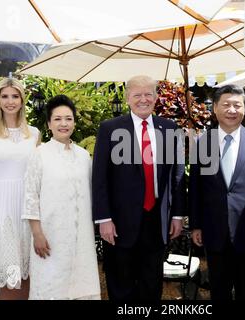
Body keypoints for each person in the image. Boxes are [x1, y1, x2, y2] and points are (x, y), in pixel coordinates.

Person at [92, 75, 186, 301]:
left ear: (155, 97)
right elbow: (99, 177)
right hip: (118, 223)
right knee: (120, 285)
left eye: (148, 94)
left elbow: (178, 176)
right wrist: (103, 218)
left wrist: (177, 214)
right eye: (137, 95)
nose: (143, 99)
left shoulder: (170, 128)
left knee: (151, 284)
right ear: (127, 98)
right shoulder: (110, 128)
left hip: (156, 220)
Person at [189, 84, 245, 301]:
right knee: (218, 291)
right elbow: (195, 188)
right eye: (226, 105)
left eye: (237, 105)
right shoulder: (202, 143)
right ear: (215, 109)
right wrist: (196, 225)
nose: (231, 110)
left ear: (244, 109)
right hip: (214, 231)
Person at [22, 95, 101, 300]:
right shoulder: (39, 154)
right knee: (51, 287)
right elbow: (30, 196)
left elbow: (92, 194)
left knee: (81, 287)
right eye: (57, 119)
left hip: (81, 237)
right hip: (49, 237)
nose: (63, 124)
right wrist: (37, 233)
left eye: (68, 118)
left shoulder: (84, 156)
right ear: (49, 124)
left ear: (74, 122)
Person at [0, 78, 40, 300]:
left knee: (28, 275)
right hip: (1, 209)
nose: (10, 101)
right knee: (10, 279)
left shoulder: (35, 133)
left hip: (28, 208)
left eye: (15, 96)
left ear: (22, 100)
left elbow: (37, 175)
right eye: (5, 96)